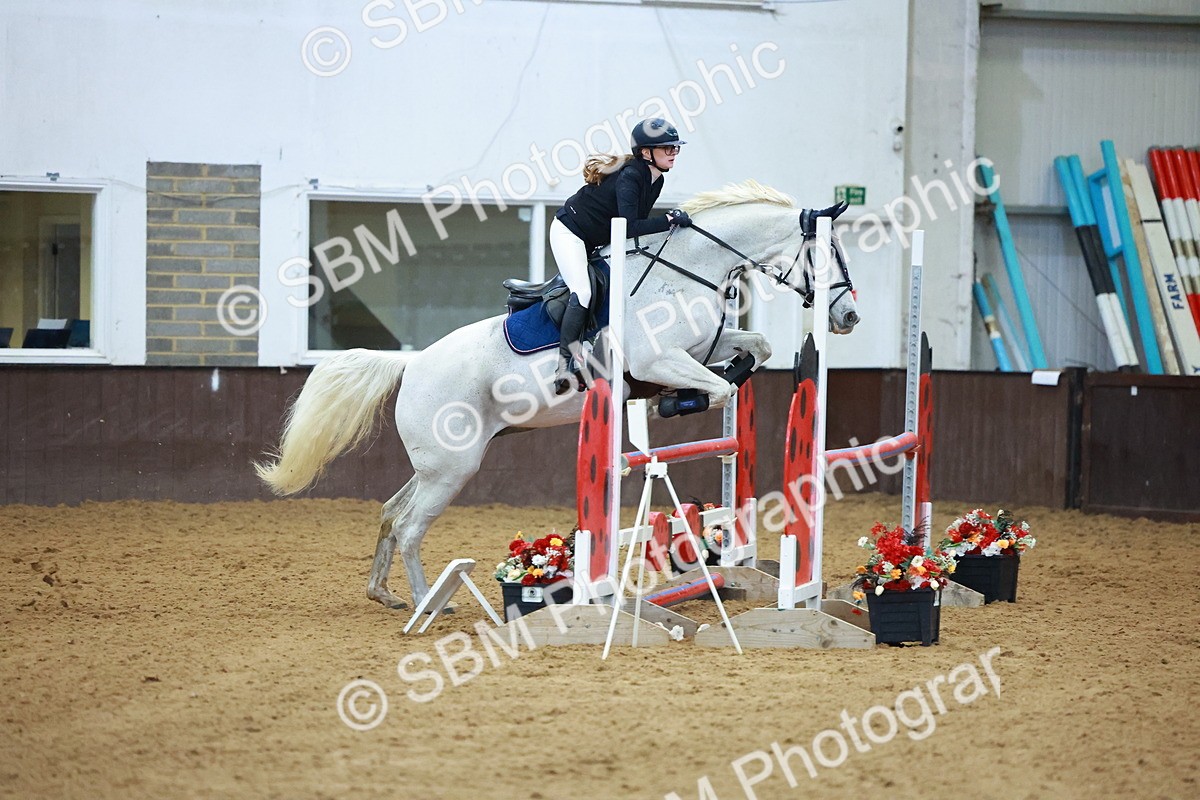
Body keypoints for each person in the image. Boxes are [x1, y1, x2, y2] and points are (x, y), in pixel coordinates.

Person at [549, 117, 693, 395]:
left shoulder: (656, 179)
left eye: (676, 148)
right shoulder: (631, 175)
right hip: (570, 233)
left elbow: (634, 226)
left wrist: (669, 223)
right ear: (646, 152)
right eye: (667, 148)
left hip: (599, 238)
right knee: (584, 291)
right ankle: (564, 365)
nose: (674, 153)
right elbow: (629, 227)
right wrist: (669, 219)